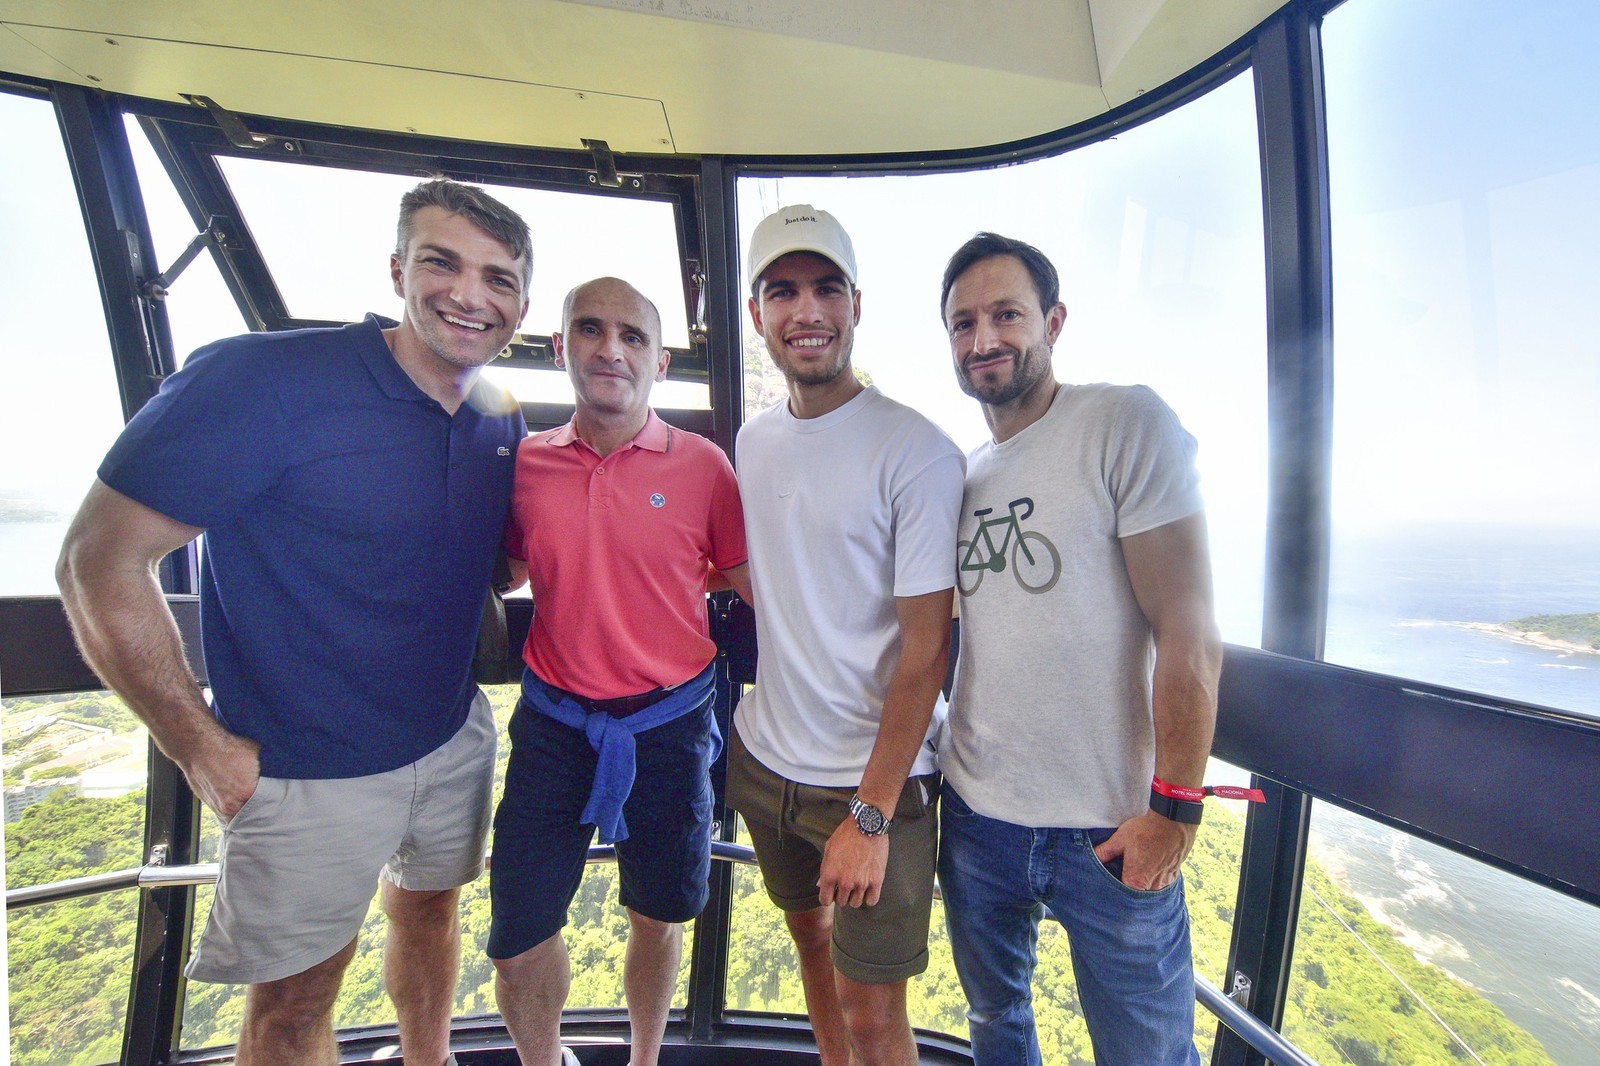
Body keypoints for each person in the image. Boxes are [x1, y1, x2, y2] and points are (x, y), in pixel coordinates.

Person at [55, 179, 532, 1066]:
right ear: (398, 269)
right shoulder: (263, 381)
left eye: (498, 279)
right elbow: (97, 559)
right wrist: (200, 747)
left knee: (430, 911)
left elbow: (484, 557)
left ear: (521, 305)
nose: (470, 294)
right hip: (304, 769)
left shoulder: (494, 422)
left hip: (449, 737)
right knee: (295, 1001)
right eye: (443, 263)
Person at [935, 231, 1224, 1066]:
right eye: (962, 324)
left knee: (1147, 1053)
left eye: (1005, 315)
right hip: (979, 815)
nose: (983, 339)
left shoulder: (1123, 422)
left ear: (1053, 321)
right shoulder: (965, 473)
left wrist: (1176, 809)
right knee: (998, 1028)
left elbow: (1189, 627)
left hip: (1109, 825)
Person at [488, 277, 751, 1066]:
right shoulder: (525, 466)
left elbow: (752, 582)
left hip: (670, 729)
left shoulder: (705, 467)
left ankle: (643, 1057)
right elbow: (500, 570)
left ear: (660, 361)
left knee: (659, 914)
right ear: (561, 345)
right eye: (591, 330)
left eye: (633, 336)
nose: (611, 349)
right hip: (554, 726)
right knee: (518, 930)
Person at [728, 205, 965, 1066]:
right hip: (764, 765)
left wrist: (868, 814)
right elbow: (759, 569)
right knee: (811, 952)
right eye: (782, 291)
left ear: (857, 304)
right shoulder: (754, 444)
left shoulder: (917, 452)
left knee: (874, 1016)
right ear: (758, 315)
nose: (806, 310)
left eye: (826, 288)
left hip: (869, 789)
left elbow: (927, 650)